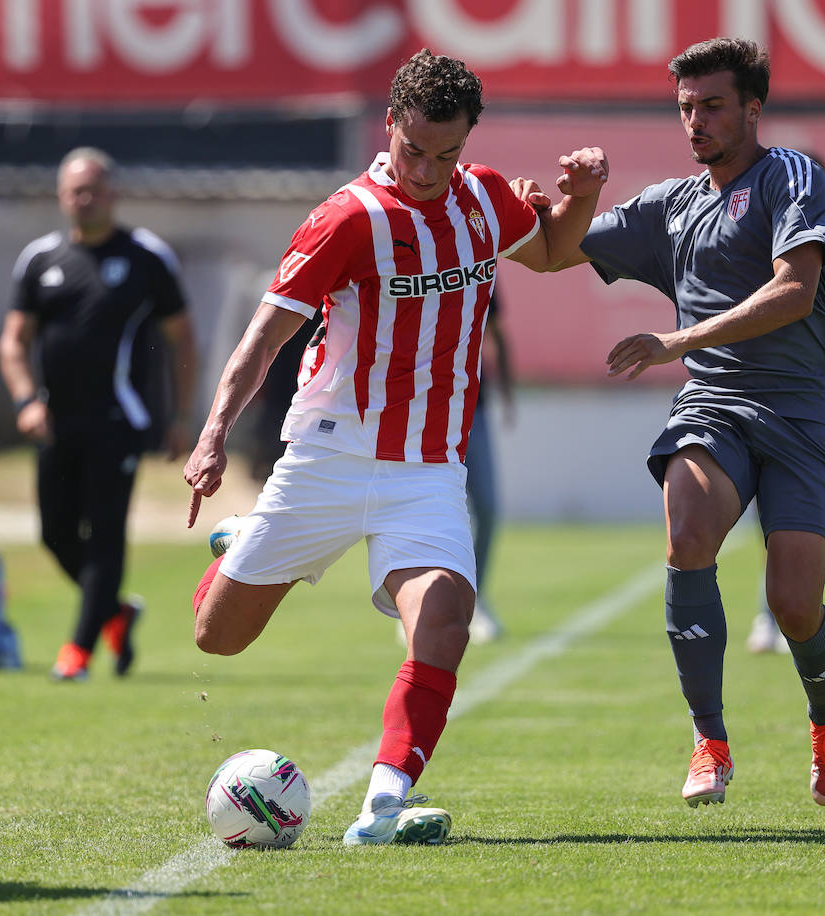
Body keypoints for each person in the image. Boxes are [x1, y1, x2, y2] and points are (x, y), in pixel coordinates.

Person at [183, 48, 607, 845]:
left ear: (467, 141)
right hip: (330, 454)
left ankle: (384, 799)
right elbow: (265, 335)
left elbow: (553, 251)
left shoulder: (482, 199)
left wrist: (581, 199)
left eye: (445, 154)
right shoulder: (346, 218)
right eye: (414, 149)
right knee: (218, 636)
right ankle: (241, 541)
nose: (427, 169)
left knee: (445, 617)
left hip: (428, 467)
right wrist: (212, 438)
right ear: (390, 125)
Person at [512, 37, 825, 808]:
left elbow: (795, 292)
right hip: (716, 404)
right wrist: (563, 198)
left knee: (796, 606)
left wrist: (678, 339)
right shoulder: (671, 205)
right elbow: (546, 253)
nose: (695, 121)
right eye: (685, 108)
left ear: (752, 109)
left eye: (711, 106)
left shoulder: (789, 175)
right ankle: (710, 740)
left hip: (804, 412)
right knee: (687, 531)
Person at [0, 147, 196, 681]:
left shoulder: (146, 257)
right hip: (55, 423)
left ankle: (78, 651)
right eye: (73, 191)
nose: (82, 200)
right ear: (61, 197)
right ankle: (115, 612)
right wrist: (24, 401)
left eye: (92, 190)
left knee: (106, 532)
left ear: (112, 194)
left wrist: (180, 415)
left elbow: (182, 340)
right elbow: (14, 341)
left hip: (120, 423)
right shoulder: (40, 259)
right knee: (55, 533)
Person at [746, 150, 825, 654]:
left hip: (818, 410)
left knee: (803, 521)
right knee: (771, 516)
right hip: (759, 404)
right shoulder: (760, 247)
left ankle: (780, 617)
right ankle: (767, 616)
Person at [462, 289, 514, 642]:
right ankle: (414, 601)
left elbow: (495, 333)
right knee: (421, 510)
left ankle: (473, 598)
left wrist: (507, 394)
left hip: (470, 407)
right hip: (415, 407)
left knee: (487, 508)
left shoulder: (479, 257)